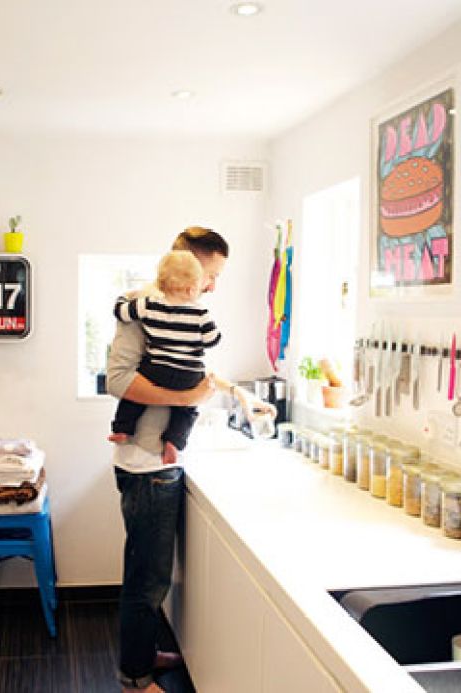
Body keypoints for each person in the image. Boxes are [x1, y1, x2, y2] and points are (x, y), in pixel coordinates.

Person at [107, 227, 271, 693]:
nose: (214, 286)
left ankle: (142, 654)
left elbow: (195, 367)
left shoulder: (183, 307)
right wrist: (187, 396)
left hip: (158, 463)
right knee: (148, 579)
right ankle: (136, 679)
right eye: (212, 275)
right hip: (147, 467)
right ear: (189, 264)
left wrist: (236, 393)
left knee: (145, 571)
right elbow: (118, 380)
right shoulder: (140, 305)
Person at [109, 250, 221, 465]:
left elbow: (121, 312)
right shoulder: (200, 313)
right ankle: (174, 442)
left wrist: (124, 298)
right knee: (187, 411)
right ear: (191, 288)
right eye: (210, 277)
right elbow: (213, 340)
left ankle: (123, 428)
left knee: (132, 402)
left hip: (157, 369)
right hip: (189, 374)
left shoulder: (148, 304)